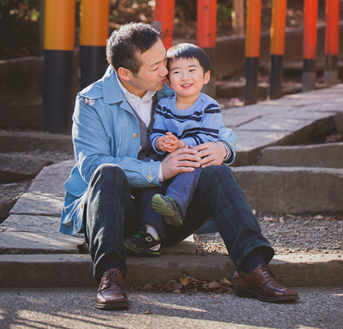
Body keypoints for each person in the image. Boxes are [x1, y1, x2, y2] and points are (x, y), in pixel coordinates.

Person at [59, 23, 298, 310]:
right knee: (107, 172)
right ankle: (111, 275)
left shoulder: (167, 88)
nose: (167, 70)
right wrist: (159, 171)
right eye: (157, 65)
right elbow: (91, 165)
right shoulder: (91, 101)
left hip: (168, 211)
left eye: (165, 59)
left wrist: (223, 148)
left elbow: (216, 126)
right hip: (114, 216)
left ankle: (253, 269)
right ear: (125, 73)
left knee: (217, 171)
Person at [126, 43, 222, 248]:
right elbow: (157, 132)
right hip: (166, 160)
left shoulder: (210, 107)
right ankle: (150, 233)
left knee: (190, 163)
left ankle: (176, 204)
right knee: (151, 174)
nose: (185, 77)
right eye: (177, 72)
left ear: (206, 77)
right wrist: (161, 143)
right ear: (168, 81)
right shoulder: (164, 105)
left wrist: (181, 144)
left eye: (192, 70)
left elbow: (208, 136)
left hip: (192, 159)